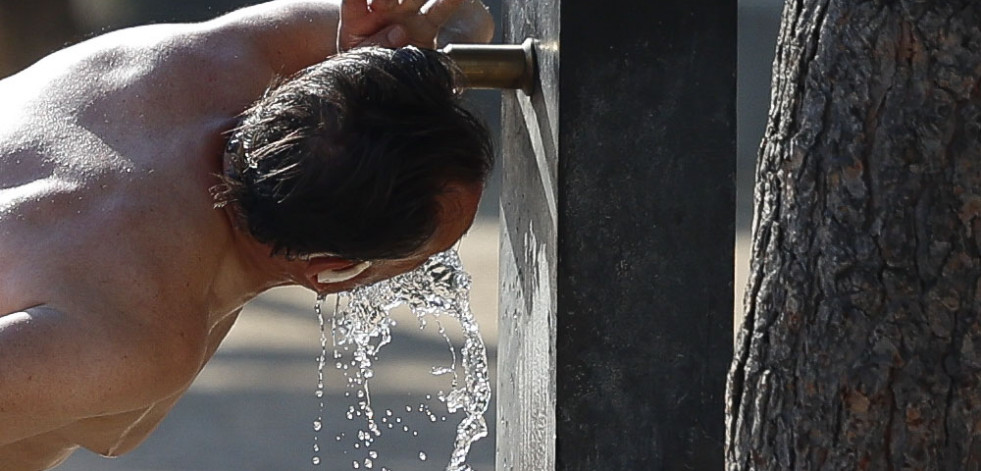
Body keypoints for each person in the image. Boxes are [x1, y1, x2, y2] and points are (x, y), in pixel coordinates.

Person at [0, 0, 494, 469]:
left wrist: (412, 39)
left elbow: (467, 17)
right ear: (331, 270)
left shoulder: (247, 52)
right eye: (432, 252)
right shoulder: (137, 330)